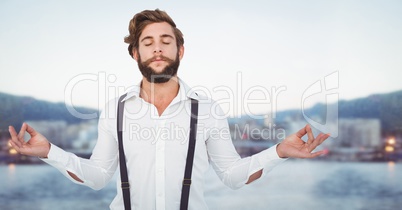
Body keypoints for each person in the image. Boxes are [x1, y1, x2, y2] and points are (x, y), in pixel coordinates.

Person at [8, 9, 330, 210]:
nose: (158, 47)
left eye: (166, 40)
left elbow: (233, 176)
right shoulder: (115, 111)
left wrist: (280, 152)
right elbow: (97, 177)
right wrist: (49, 151)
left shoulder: (207, 110)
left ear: (180, 50)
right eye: (147, 42)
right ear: (135, 53)